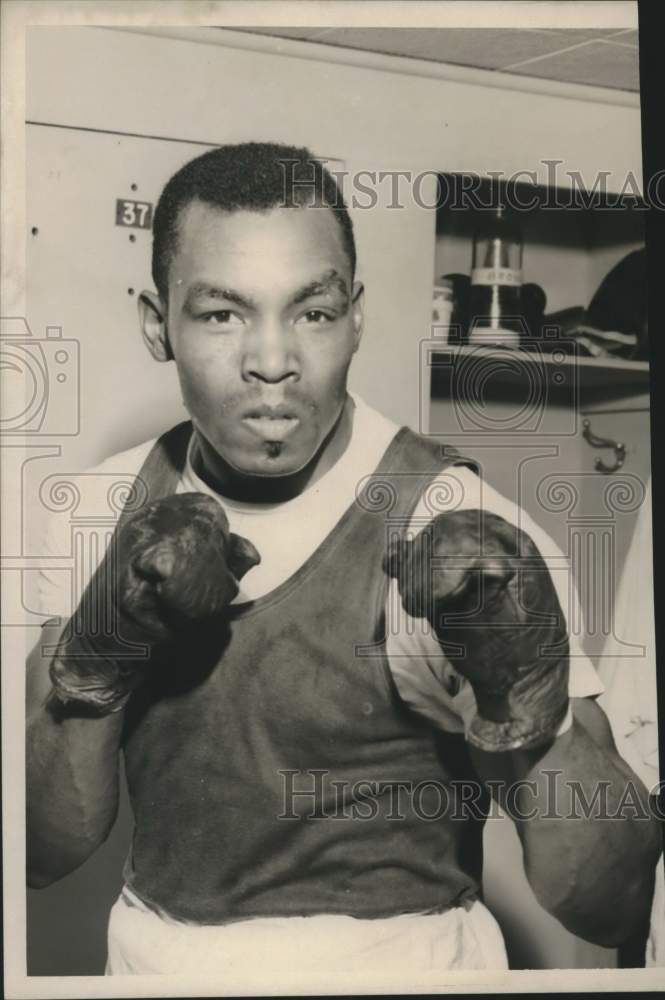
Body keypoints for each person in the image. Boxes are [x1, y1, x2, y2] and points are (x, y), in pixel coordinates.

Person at [26, 143, 662, 982]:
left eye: (312, 313)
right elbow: (43, 850)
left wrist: (530, 702)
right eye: (222, 313)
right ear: (157, 323)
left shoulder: (458, 526)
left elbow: (613, 905)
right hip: (157, 969)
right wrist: (97, 656)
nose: (273, 360)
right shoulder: (97, 514)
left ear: (355, 317)